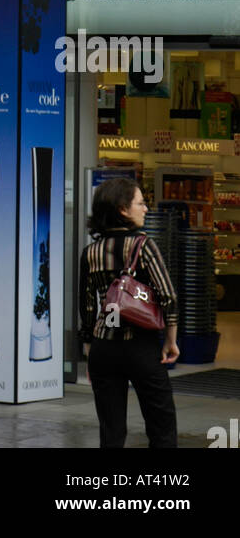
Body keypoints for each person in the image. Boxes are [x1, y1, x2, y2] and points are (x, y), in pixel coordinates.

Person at [79, 177, 179, 449]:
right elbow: (167, 295)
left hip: (103, 347)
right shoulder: (143, 246)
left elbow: (88, 306)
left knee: (110, 431)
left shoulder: (91, 252)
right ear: (123, 209)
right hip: (140, 346)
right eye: (141, 203)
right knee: (161, 425)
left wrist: (90, 348)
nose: (145, 209)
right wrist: (171, 340)